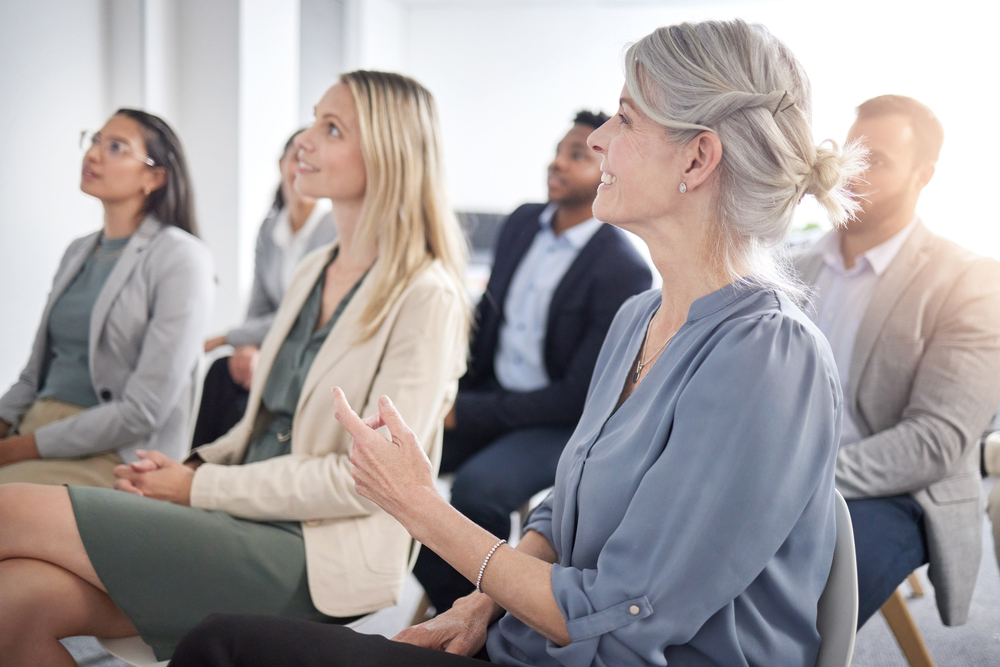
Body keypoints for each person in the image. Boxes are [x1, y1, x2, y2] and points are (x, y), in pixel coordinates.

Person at [170, 19, 864, 666]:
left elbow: (622, 617)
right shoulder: (640, 318)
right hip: (532, 645)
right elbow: (566, 509)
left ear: (698, 157)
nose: (598, 141)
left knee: (222, 648)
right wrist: (481, 602)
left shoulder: (769, 357)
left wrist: (422, 508)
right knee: (220, 641)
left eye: (625, 118)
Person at [0, 70, 469, 665]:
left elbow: (366, 482)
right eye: (313, 120)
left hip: (312, 548)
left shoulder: (427, 295)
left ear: (389, 152)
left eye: (332, 129)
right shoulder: (315, 268)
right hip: (239, 510)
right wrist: (192, 466)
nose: (304, 140)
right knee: (15, 604)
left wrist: (198, 486)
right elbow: (261, 431)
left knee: (9, 510)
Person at [414, 110, 652, 613]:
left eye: (577, 156)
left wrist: (465, 413)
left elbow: (577, 396)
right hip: (490, 395)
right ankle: (452, 603)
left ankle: (479, 622)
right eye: (558, 151)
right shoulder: (522, 223)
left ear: (608, 169)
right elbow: (486, 318)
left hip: (557, 422)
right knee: (397, 452)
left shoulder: (622, 268)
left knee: (478, 491)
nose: (557, 163)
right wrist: (444, 388)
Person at [794, 95, 1000, 628]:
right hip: (786, 472)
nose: (852, 170)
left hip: (901, 491)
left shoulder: (971, 280)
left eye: (877, 160)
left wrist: (794, 482)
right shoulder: (792, 268)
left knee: (789, 603)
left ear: (923, 175)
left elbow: (936, 440)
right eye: (850, 153)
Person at [0, 109, 214, 488]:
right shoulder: (77, 251)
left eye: (116, 147)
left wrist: (17, 449)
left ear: (154, 178)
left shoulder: (181, 257)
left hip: (110, 453)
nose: (94, 154)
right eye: (95, 140)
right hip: (33, 428)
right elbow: (33, 375)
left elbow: (142, 411)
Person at [194, 129, 336, 447]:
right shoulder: (270, 229)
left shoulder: (334, 230)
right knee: (224, 373)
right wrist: (247, 347)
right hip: (272, 345)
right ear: (281, 163)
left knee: (238, 385)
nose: (303, 165)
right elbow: (259, 306)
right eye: (296, 156)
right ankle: (197, 465)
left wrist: (228, 337)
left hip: (308, 350)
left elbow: (305, 314)